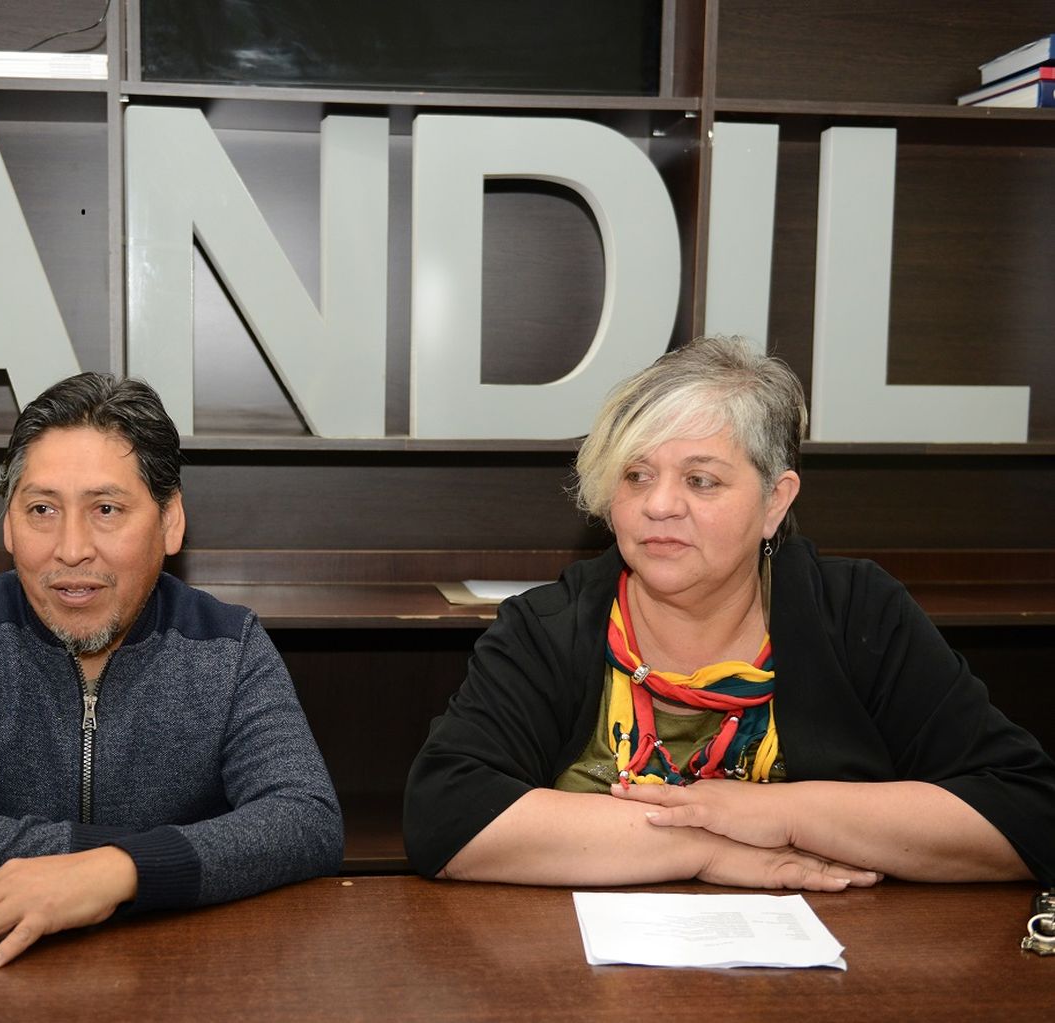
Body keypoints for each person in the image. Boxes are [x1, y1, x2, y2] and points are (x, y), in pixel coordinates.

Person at [404, 336, 1055, 891]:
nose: (659, 504)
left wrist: (781, 813)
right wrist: (709, 845)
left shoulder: (858, 612)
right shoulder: (548, 627)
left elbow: (1026, 809)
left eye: (701, 479)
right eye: (635, 475)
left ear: (776, 501)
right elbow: (446, 814)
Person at [0, 372, 343, 968]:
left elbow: (305, 818)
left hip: (179, 974)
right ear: (8, 524)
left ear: (170, 522)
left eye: (106, 509)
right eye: (41, 509)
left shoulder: (228, 644)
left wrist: (120, 873)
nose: (71, 548)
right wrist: (85, 860)